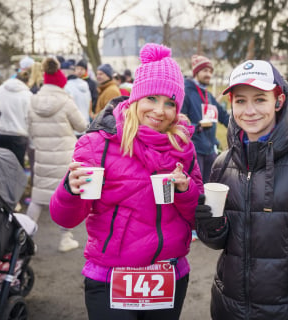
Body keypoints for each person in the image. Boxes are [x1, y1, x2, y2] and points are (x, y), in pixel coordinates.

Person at [49, 43, 203, 320]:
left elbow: (198, 217)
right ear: (135, 98)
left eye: (170, 103)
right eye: (152, 99)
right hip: (110, 277)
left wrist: (186, 190)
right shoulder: (97, 144)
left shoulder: (182, 146)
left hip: (168, 275)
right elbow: (66, 219)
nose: (160, 111)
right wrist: (70, 190)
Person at [195, 60, 288, 320]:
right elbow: (217, 242)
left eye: (260, 99)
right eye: (241, 101)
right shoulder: (223, 163)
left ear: (278, 101)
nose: (250, 110)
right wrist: (211, 224)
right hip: (228, 306)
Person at [26, 56, 87, 252]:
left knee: (38, 197)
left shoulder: (33, 100)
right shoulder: (65, 101)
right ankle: (65, 238)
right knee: (67, 197)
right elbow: (81, 125)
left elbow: (30, 128)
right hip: (64, 155)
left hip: (42, 154)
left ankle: (24, 236)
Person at [181, 54, 230, 183]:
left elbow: (223, 116)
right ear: (196, 72)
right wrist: (197, 127)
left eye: (210, 71)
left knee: (211, 185)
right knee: (197, 188)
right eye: (204, 71)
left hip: (210, 149)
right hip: (194, 150)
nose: (208, 74)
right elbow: (179, 121)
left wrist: (239, 125)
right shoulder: (186, 93)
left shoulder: (209, 96)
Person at [0, 70, 33, 168]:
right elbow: (30, 118)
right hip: (19, 136)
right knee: (17, 168)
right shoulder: (28, 95)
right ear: (27, 82)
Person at [62, 60, 91, 136]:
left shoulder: (66, 86)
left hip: (73, 129)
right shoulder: (85, 84)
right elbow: (90, 103)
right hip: (85, 126)